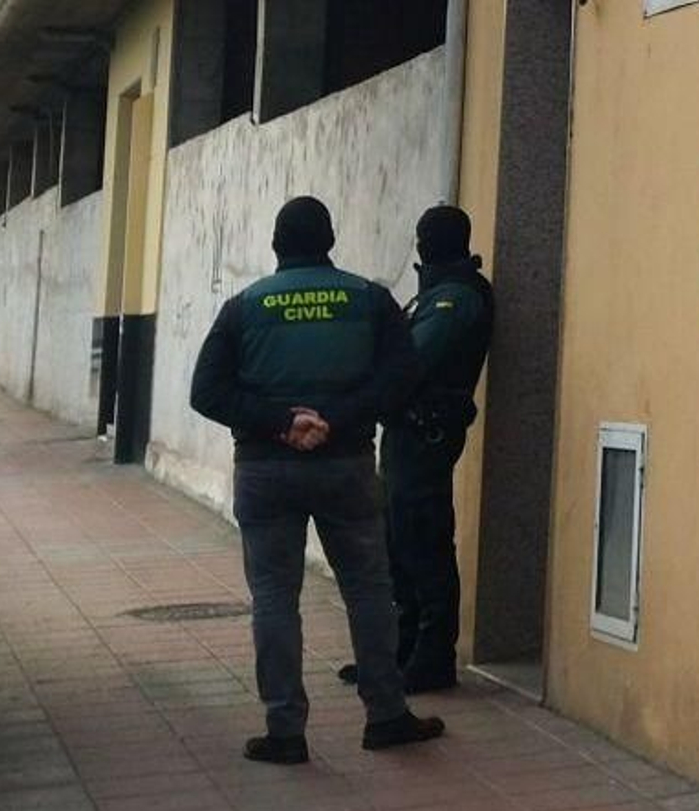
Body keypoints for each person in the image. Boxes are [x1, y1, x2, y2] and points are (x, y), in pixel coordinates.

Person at [190, 196, 445, 765]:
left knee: (275, 598)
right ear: (330, 241)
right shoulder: (370, 299)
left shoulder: (244, 306)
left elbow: (206, 392)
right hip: (346, 465)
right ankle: (386, 716)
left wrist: (283, 423)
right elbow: (403, 375)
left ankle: (285, 731)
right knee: (369, 591)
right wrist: (341, 420)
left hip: (264, 469)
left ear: (276, 245)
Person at [338, 205, 493, 694]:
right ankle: (399, 653)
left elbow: (412, 360)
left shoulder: (456, 299)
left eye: (427, 238)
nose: (421, 246)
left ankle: (432, 658)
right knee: (397, 544)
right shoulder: (434, 296)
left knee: (423, 545)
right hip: (404, 436)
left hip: (426, 438)